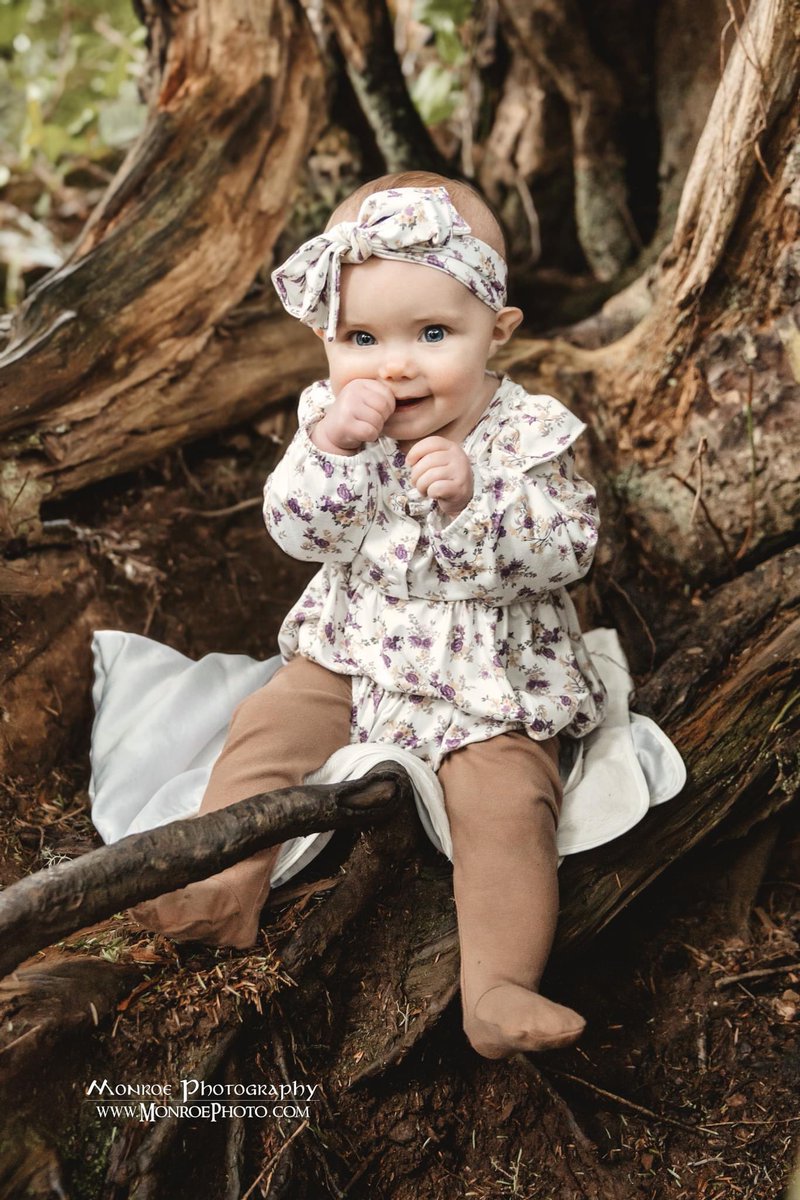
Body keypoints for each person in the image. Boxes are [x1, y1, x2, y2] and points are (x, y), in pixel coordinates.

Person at [132, 171, 608, 1059]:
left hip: (488, 680)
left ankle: (498, 985)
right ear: (325, 339)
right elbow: (293, 531)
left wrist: (479, 502)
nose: (393, 365)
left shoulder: (524, 432)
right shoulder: (330, 424)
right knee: (267, 728)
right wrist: (334, 452)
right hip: (354, 651)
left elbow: (572, 545)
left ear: (495, 332)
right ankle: (226, 887)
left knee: (508, 800)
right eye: (360, 336)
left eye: (431, 334)